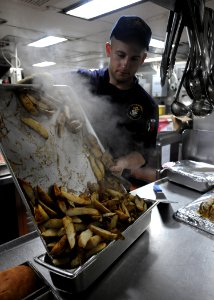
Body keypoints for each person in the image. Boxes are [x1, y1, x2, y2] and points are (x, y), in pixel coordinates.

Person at [77, 15, 159, 186]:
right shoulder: (83, 81)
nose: (125, 64)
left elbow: (145, 152)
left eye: (134, 58)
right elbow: (44, 84)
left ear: (143, 59)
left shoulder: (147, 105)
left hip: (117, 185)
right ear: (109, 50)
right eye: (120, 55)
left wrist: (124, 163)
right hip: (74, 175)